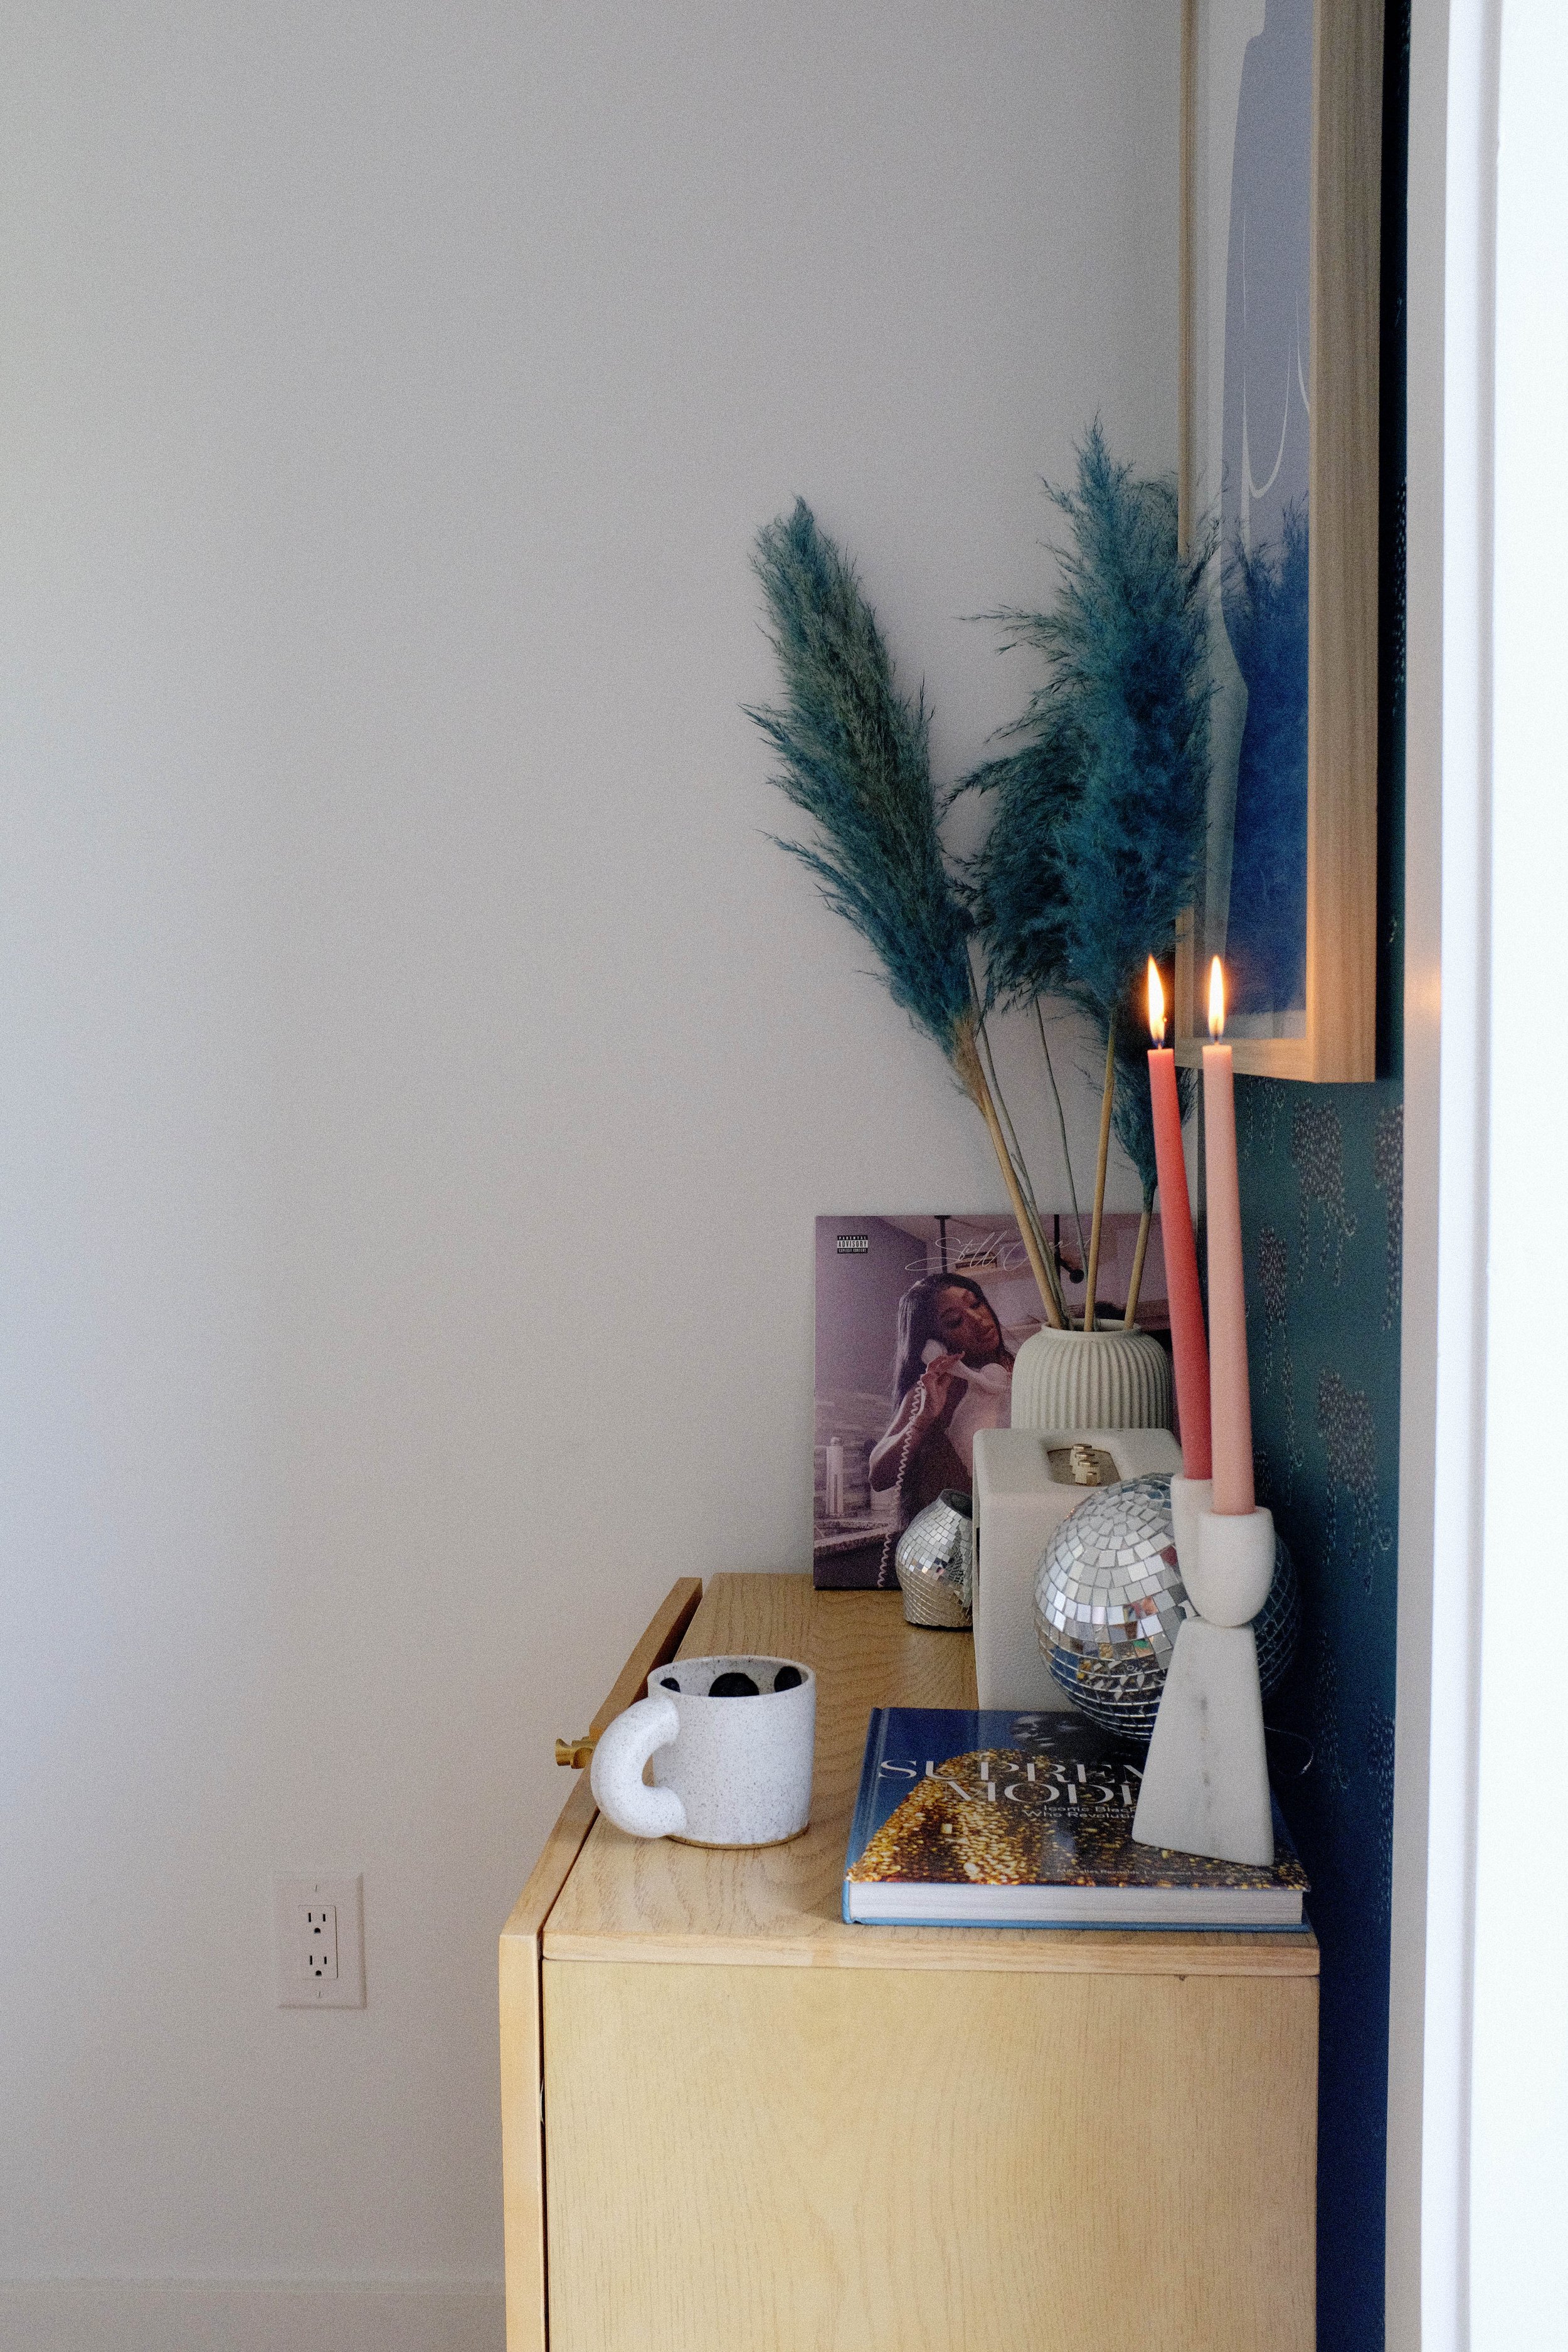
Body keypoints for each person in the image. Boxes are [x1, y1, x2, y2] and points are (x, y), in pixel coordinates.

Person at [869, 1274, 1014, 1579]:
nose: (977, 1320)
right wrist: (923, 1420)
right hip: (963, 1556)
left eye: (976, 1304)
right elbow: (879, 1475)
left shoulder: (1027, 1368)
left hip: (1019, 1529)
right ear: (934, 1343)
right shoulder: (935, 1390)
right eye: (955, 1322)